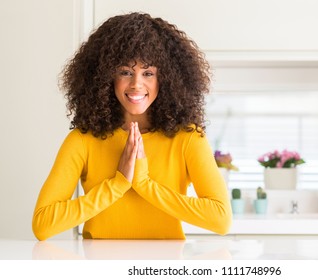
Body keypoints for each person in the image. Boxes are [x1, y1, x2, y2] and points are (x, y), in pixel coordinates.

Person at [32, 12, 232, 240]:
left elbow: (221, 219)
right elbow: (43, 224)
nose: (137, 84)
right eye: (125, 72)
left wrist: (144, 184)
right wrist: (118, 184)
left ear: (165, 79)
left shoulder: (187, 139)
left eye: (148, 73)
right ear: (106, 77)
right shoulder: (83, 139)